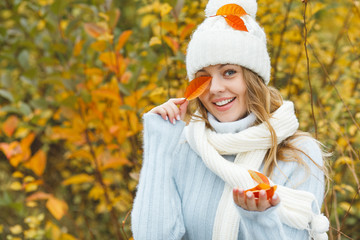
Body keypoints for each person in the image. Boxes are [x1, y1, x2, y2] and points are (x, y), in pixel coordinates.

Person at [131, 0, 329, 239]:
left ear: (253, 77)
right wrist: (159, 145)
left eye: (229, 72)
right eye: (203, 78)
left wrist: (259, 219)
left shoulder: (298, 154)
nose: (215, 88)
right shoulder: (184, 149)